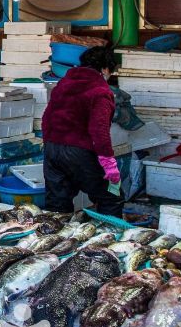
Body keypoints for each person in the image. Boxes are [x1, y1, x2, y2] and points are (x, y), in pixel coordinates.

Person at [42, 46, 122, 217]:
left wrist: (49, 145)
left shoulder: (64, 83)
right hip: (79, 152)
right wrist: (108, 163)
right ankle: (108, 239)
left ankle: (51, 237)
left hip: (52, 149)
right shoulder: (100, 91)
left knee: (57, 203)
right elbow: (99, 131)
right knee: (111, 197)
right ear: (106, 69)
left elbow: (47, 116)